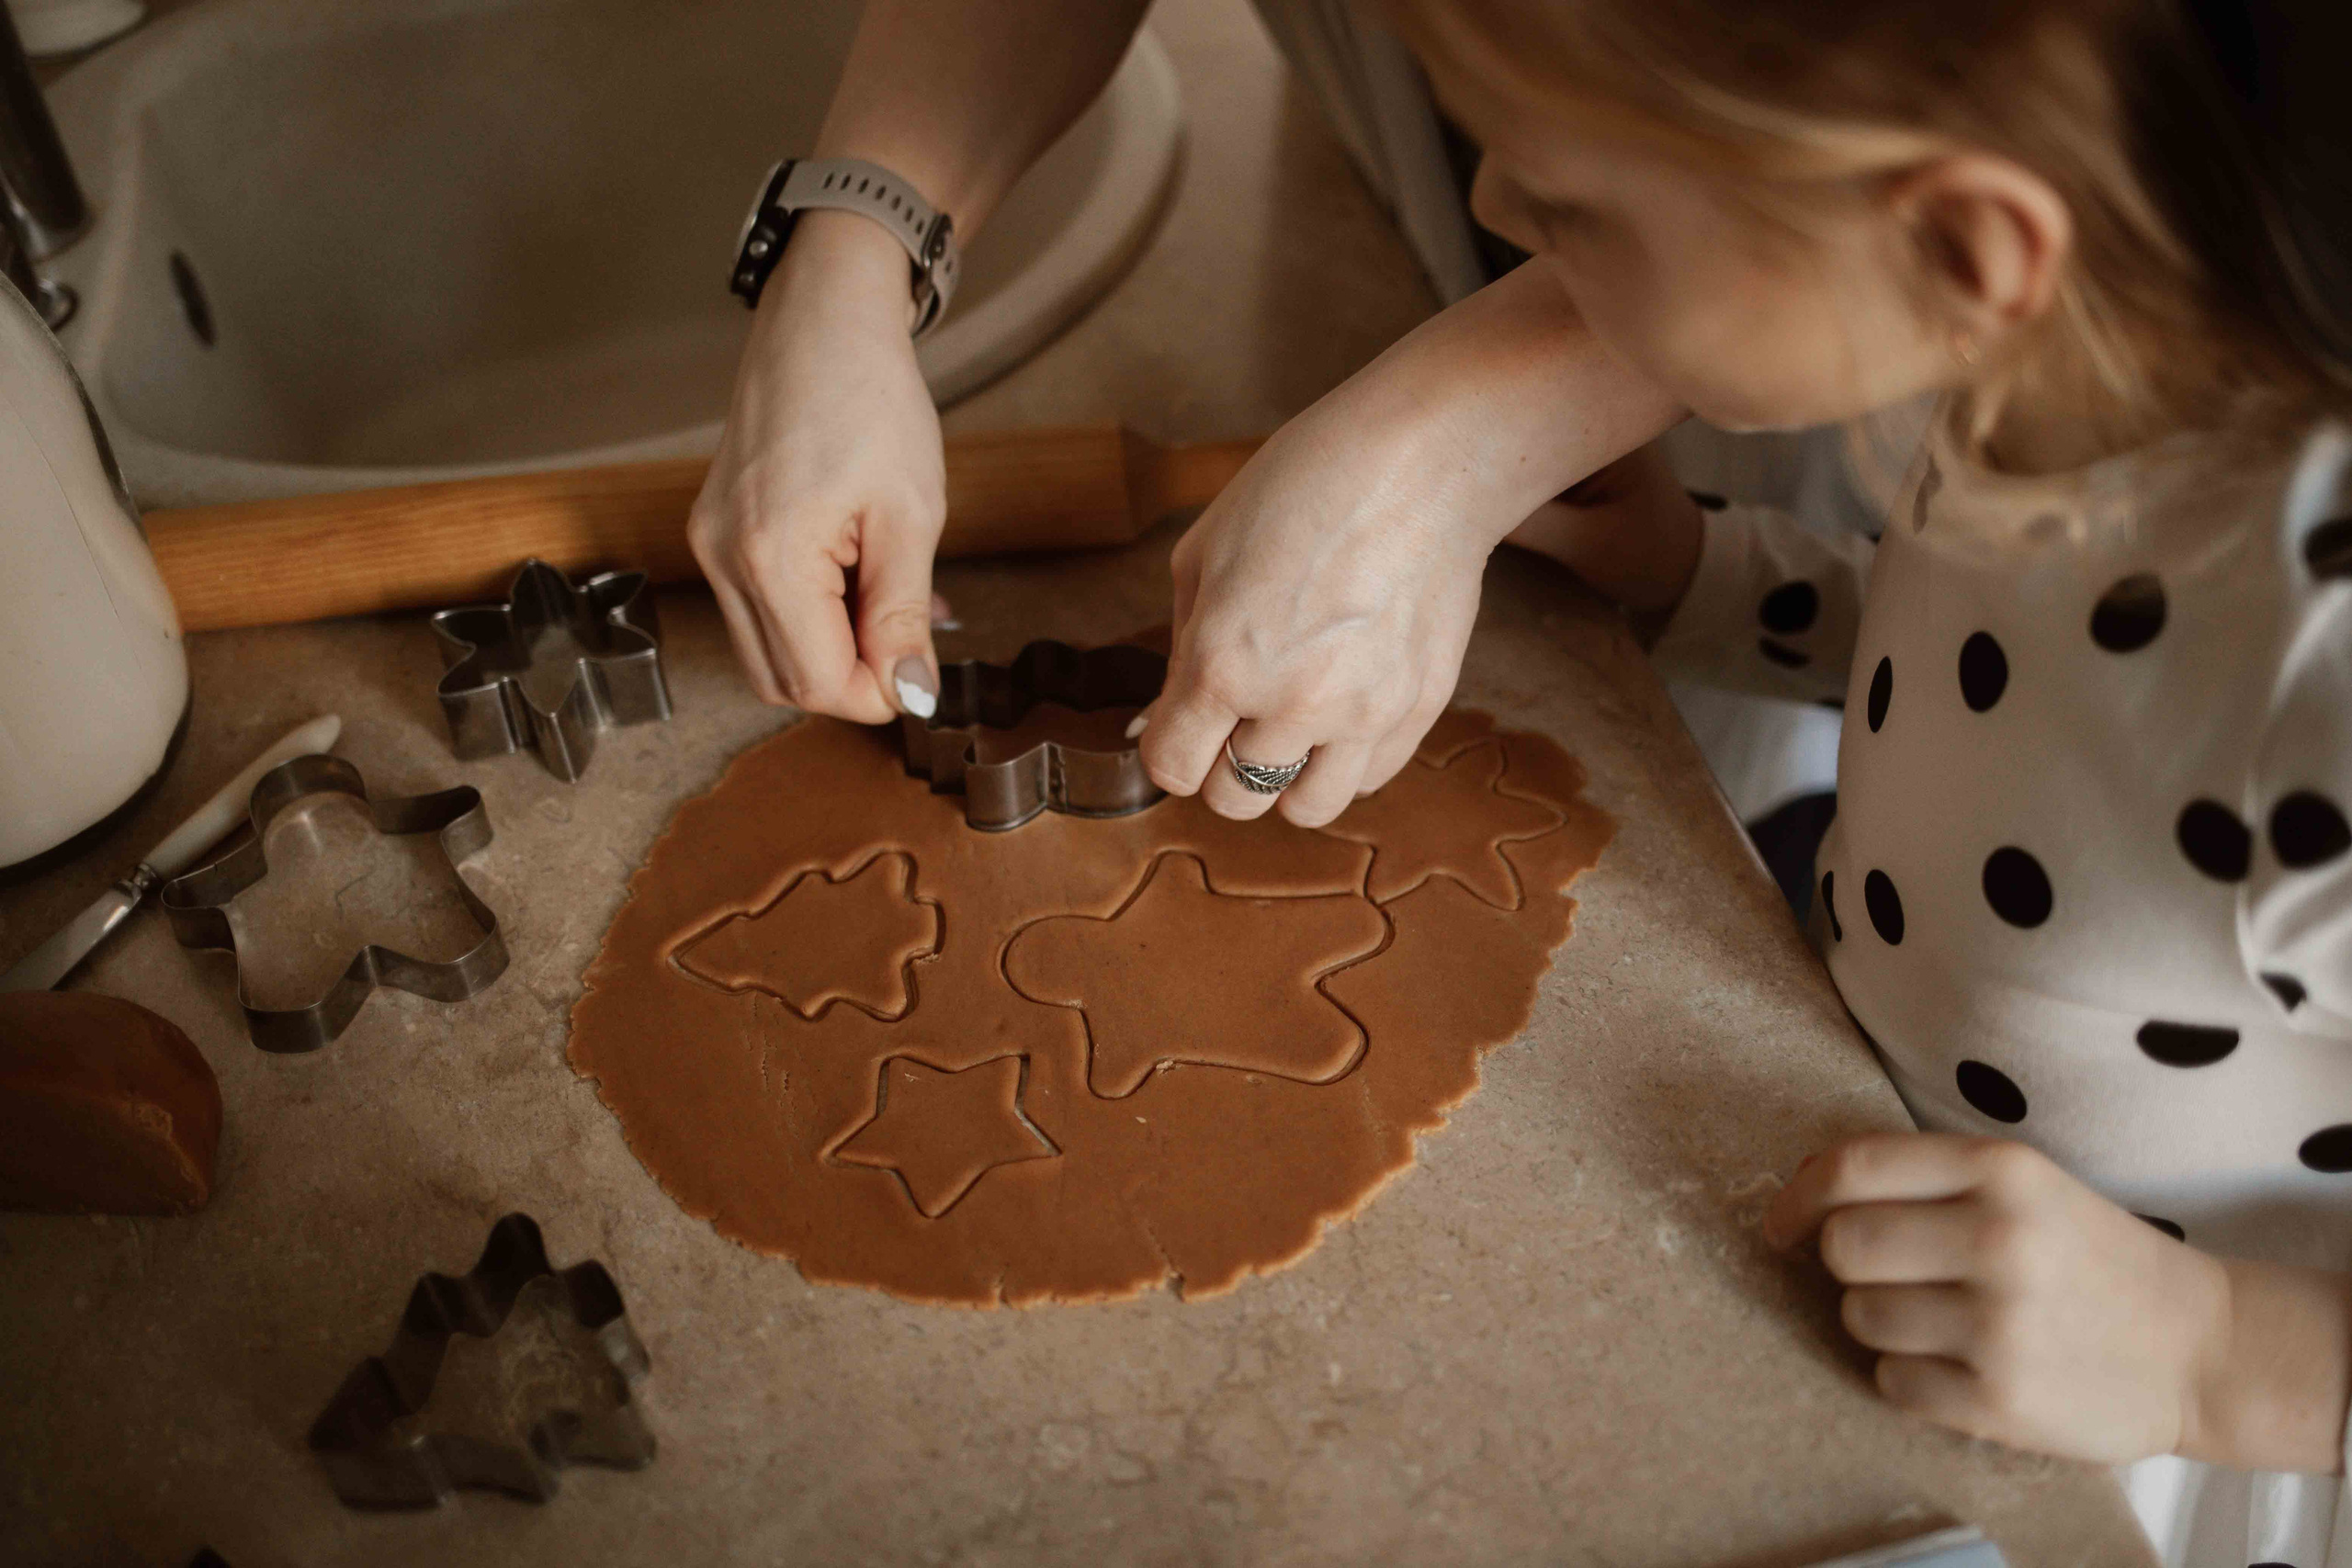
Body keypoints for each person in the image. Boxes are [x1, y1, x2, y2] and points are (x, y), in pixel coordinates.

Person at [1373, 0, 2352, 1560]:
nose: (1493, 206)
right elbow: (2024, 708)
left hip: (2182, 1468)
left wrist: (2211, 1354)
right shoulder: (2036, 378)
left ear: (1966, 241)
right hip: (1919, 1311)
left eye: (1570, 205)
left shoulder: (2325, 663)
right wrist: (1698, 570)